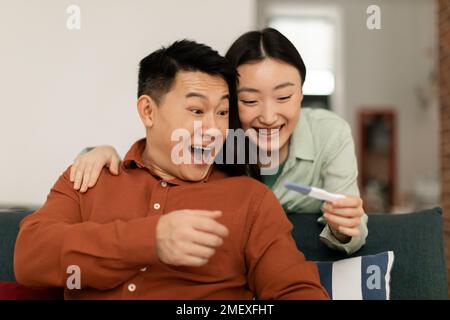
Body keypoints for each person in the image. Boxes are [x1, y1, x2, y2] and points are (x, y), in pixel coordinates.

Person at [14, 40, 329, 300]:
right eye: (196, 110)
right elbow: (30, 257)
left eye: (222, 112)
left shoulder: (250, 199)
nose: (213, 129)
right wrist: (150, 239)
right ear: (148, 111)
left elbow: (296, 291)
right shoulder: (89, 178)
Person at [71, 28, 368, 255]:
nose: (268, 116)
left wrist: (345, 228)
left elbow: (354, 226)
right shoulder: (216, 138)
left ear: (301, 94)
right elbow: (153, 162)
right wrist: (97, 152)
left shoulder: (330, 134)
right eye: (249, 100)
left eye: (284, 97)